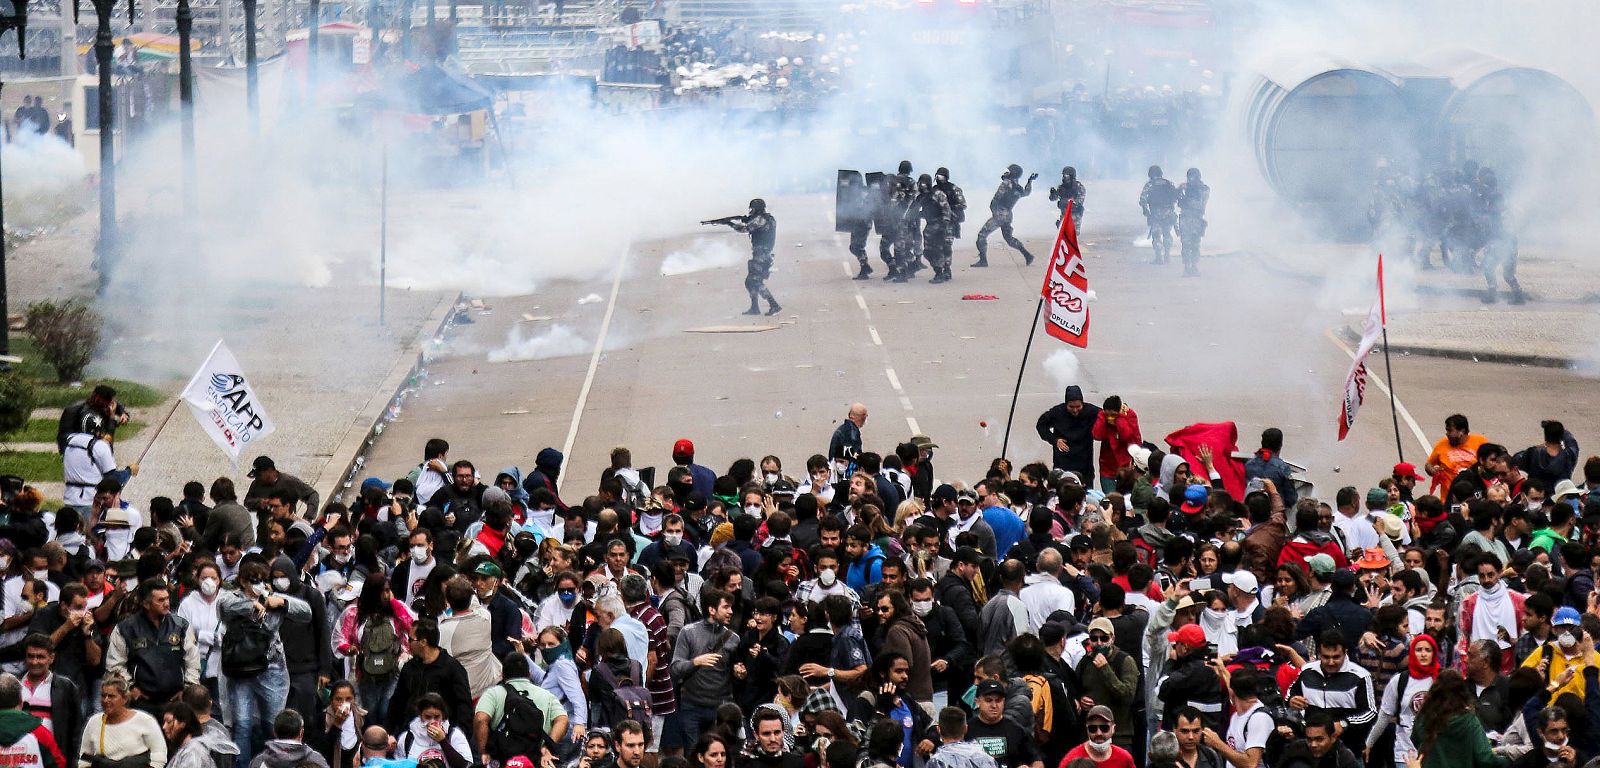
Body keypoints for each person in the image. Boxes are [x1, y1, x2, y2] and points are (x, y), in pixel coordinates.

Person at [217, 558, 312, 762]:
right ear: (242, 581)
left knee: (273, 725)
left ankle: (273, 763)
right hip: (240, 668)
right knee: (242, 725)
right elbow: (225, 607)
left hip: (272, 668)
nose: (258, 584)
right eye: (253, 580)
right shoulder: (231, 597)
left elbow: (306, 613)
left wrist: (282, 603)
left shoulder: (274, 598)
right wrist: (255, 603)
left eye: (262, 579)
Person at [105, 578, 199, 713]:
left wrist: (188, 689)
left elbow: (192, 661)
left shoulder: (181, 626)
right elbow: (115, 664)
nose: (166, 604)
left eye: (167, 598)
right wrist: (130, 688)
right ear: (146, 604)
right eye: (160, 600)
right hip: (140, 703)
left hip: (175, 702)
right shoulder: (126, 628)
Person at [1288, 630, 1377, 750]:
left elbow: (1370, 712)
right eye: (1326, 657)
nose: (1331, 662)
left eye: (1336, 657)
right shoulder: (1307, 671)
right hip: (1311, 747)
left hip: (1347, 748)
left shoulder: (1361, 676)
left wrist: (1344, 724)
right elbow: (1290, 695)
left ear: (1345, 653)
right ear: (1319, 653)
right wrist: (1292, 700)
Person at [473, 653, 566, 766]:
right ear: (529, 674)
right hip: (537, 760)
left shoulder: (493, 693)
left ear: (503, 675)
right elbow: (562, 719)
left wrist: (484, 751)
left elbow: (480, 719)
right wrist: (548, 746)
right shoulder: (546, 695)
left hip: (503, 760)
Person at [387, 619, 473, 735]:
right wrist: (390, 732)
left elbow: (463, 706)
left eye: (411, 639)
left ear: (423, 642)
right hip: (411, 734)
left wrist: (458, 735)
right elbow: (397, 702)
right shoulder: (409, 668)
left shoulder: (452, 669)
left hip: (441, 734)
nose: (408, 643)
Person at [1412, 670, 1506, 768]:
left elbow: (1416, 741)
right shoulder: (1469, 721)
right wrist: (1510, 761)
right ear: (1463, 693)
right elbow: (1485, 758)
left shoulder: (1424, 716)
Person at [708, 198, 780, 316]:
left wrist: (729, 223)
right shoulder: (768, 218)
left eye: (752, 209)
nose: (751, 211)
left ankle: (774, 305)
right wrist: (745, 219)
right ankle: (755, 308)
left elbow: (744, 229)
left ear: (756, 209)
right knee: (751, 281)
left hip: (762, 254)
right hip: (763, 253)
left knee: (754, 281)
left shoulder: (760, 220)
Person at [19, 634, 81, 764]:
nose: (35, 661)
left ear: (51, 658)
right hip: (19, 758)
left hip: (53, 759)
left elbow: (74, 732)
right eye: (30, 656)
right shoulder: (13, 685)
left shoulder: (66, 688)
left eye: (40, 656)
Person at [81, 676, 166, 768]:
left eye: (111, 696)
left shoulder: (145, 720)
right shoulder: (94, 722)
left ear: (125, 699)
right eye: (103, 696)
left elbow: (159, 753)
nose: (106, 700)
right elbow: (84, 758)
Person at [965, 680, 1042, 768]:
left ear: (1004, 701)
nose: (994, 705)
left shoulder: (1016, 729)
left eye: (998, 700)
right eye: (988, 700)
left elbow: (1037, 761)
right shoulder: (966, 729)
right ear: (977, 702)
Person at [973, 164, 1035, 268]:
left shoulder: (1006, 183)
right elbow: (1027, 192)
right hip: (1008, 214)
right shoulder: (1018, 188)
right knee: (1009, 239)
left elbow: (996, 198)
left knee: (982, 235)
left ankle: (983, 260)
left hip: (1000, 214)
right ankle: (1027, 255)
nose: (1006, 172)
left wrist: (994, 210)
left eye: (1008, 171)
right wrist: (1030, 181)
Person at [1036, 387, 1100, 482]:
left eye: (1078, 407)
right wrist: (1055, 440)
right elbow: (1041, 425)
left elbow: (1106, 417)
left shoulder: (1091, 411)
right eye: (1071, 407)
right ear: (1066, 404)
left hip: (1084, 463)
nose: (1075, 410)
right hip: (1062, 461)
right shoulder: (1057, 412)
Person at [396, 694, 470, 768]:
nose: (432, 721)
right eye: (427, 717)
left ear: (443, 715)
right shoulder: (407, 738)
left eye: (437, 717)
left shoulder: (454, 734)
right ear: (420, 715)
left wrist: (443, 741)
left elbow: (463, 765)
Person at [1425, 415, 1488, 496]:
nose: (1447, 434)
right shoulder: (1441, 445)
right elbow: (1428, 464)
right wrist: (1431, 470)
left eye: (1450, 431)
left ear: (1461, 431)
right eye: (1447, 430)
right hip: (1450, 498)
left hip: (1475, 497)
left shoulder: (1480, 442)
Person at [1277, 711, 1361, 768]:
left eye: (1319, 739)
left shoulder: (1344, 758)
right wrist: (1276, 737)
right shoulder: (1296, 748)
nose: (1313, 745)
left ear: (1332, 738)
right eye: (1309, 739)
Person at [243, 456, 320, 518]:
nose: (257, 478)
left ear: (269, 471)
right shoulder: (256, 484)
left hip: (286, 529)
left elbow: (312, 495)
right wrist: (260, 502)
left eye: (259, 475)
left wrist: (308, 516)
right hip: (264, 530)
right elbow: (247, 502)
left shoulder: (289, 482)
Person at [1059, 705, 1134, 768]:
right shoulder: (1072, 759)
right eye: (1093, 728)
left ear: (1113, 728)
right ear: (1087, 729)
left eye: (1104, 728)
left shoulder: (1124, 758)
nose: (1099, 733)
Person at [917, 173, 958, 284]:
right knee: (928, 251)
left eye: (924, 183)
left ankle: (941, 272)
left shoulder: (938, 194)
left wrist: (944, 225)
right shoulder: (921, 196)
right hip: (930, 227)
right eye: (920, 183)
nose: (921, 185)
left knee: (942, 249)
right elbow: (914, 210)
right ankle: (941, 270)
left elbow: (946, 209)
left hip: (941, 225)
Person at [1139, 166, 1179, 265]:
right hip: (1169, 213)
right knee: (1167, 234)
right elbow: (1176, 196)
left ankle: (1159, 258)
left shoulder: (1150, 185)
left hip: (1156, 213)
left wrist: (1146, 211)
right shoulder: (1169, 183)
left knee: (1156, 236)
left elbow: (1143, 199)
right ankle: (1167, 256)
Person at [1176, 168, 1209, 277]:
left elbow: (1201, 199)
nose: (1191, 179)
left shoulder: (1203, 189)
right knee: (1186, 244)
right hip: (1185, 219)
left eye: (1193, 177)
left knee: (1195, 244)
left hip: (1196, 219)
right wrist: (1180, 190)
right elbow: (1175, 198)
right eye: (1190, 177)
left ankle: (1194, 267)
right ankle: (1187, 267)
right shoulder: (1184, 188)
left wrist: (1186, 189)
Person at [161, 703, 213, 768]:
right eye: (164, 722)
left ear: (182, 724)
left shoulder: (193, 751)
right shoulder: (184, 748)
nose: (164, 727)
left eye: (169, 722)